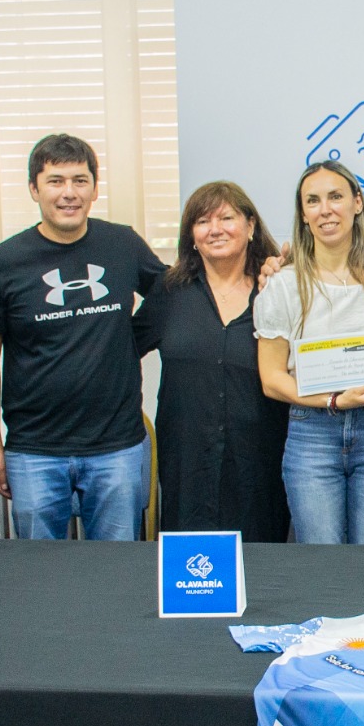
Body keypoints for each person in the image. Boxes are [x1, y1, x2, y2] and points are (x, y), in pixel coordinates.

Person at [0, 133, 165, 540]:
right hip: (34, 450)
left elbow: (173, 295)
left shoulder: (123, 244)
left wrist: (131, 341)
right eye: (55, 181)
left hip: (117, 446)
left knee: (117, 568)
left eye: (80, 180)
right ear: (33, 189)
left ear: (95, 187)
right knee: (41, 570)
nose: (69, 193)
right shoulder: (2, 262)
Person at [255, 161, 364, 544]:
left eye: (335, 197)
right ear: (303, 214)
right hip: (313, 432)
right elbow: (272, 379)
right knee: (322, 561)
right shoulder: (283, 284)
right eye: (313, 201)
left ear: (357, 203)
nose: (325, 210)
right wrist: (335, 401)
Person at [133, 182, 289, 540]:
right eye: (203, 221)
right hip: (187, 462)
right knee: (190, 561)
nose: (215, 229)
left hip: (261, 460)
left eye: (227, 218)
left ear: (251, 226)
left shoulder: (277, 288)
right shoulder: (169, 292)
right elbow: (121, 354)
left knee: (261, 558)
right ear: (192, 236)